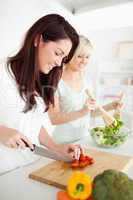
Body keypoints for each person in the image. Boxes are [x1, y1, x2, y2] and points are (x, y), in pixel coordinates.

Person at [0, 14, 82, 173]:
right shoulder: (2, 72)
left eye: (64, 58)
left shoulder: (40, 80)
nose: (59, 63)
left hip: (31, 168)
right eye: (58, 53)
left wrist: (57, 148)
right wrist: (2, 131)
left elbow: (32, 123)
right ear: (38, 40)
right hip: (5, 173)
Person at [48, 35, 123, 144]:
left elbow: (90, 113)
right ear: (69, 55)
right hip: (63, 143)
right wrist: (82, 112)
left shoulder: (86, 80)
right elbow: (54, 118)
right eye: (80, 56)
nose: (84, 61)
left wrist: (111, 106)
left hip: (85, 140)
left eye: (87, 57)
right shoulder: (56, 81)